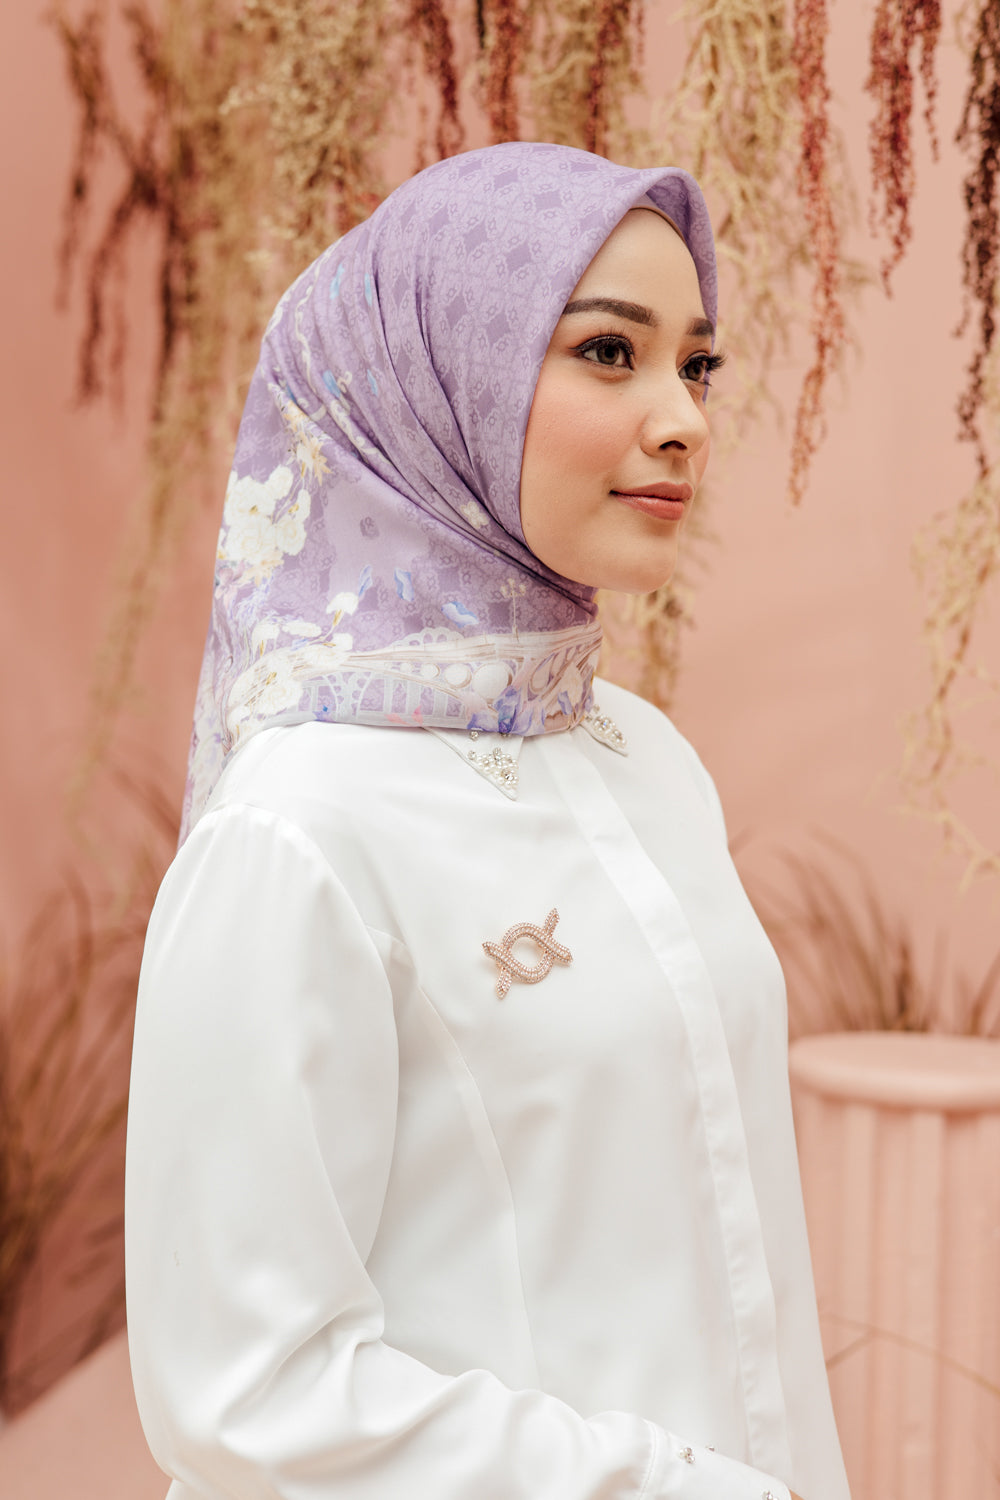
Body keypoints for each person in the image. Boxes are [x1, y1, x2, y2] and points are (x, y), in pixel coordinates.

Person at [125, 141, 850, 1500]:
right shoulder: (299, 829)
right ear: (435, 380)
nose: (684, 419)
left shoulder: (647, 760)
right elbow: (245, 1396)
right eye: (607, 352)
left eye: (696, 364)